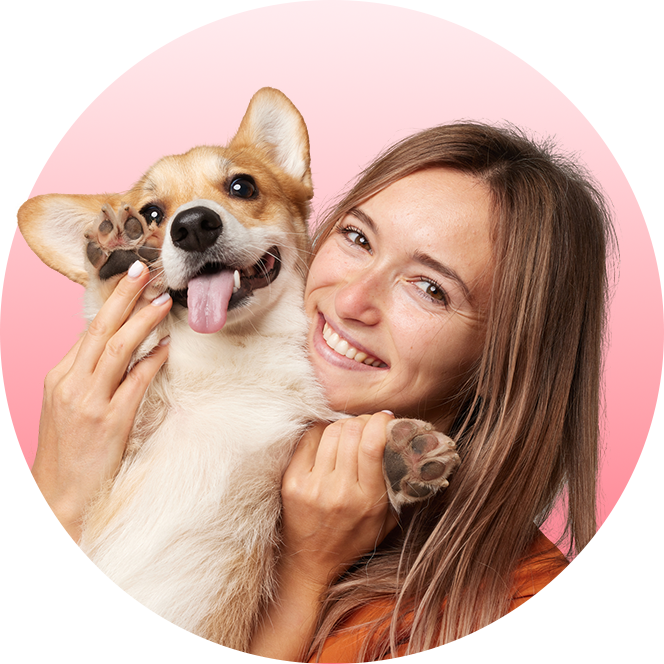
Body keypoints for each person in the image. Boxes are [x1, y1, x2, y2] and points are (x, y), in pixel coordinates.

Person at [32, 122, 613, 662]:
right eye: (358, 237)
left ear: (509, 357)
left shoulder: (538, 618)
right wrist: (60, 496)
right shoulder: (201, 401)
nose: (349, 300)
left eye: (431, 288)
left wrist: (302, 580)